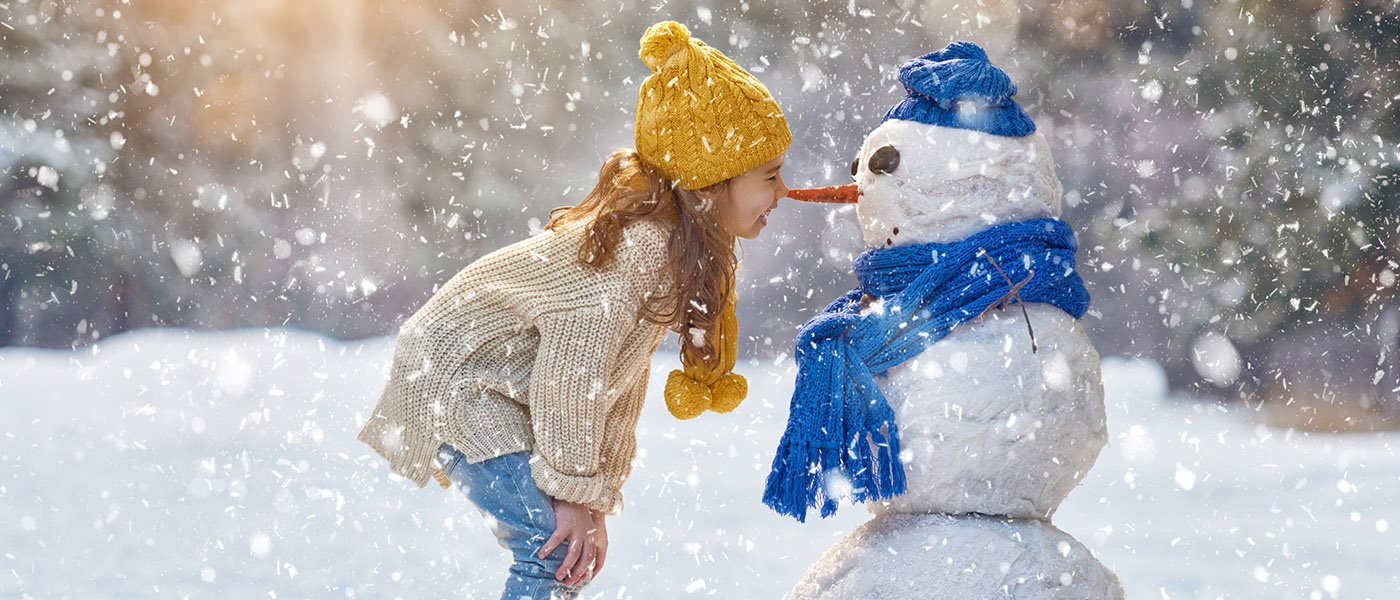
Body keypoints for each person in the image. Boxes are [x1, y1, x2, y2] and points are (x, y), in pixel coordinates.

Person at [356, 20, 790, 599]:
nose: (783, 191)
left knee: (569, 547)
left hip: (503, 385)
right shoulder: (640, 249)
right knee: (552, 547)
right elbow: (573, 376)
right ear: (710, 185)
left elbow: (619, 384)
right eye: (770, 175)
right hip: (457, 377)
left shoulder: (673, 251)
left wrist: (594, 499)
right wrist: (573, 496)